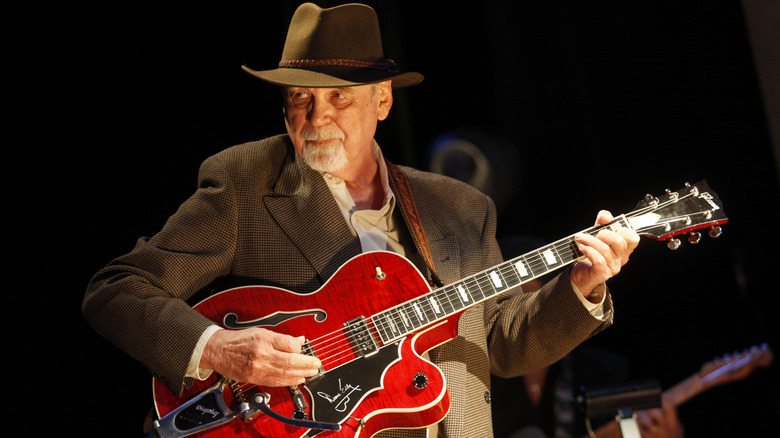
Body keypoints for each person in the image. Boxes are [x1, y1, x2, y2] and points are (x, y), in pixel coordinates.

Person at [82, 3, 639, 437]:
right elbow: (116, 290)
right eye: (300, 97)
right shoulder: (246, 181)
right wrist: (218, 348)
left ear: (382, 101)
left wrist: (582, 287)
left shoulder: (461, 207)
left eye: (339, 98)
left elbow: (503, 345)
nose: (316, 116)